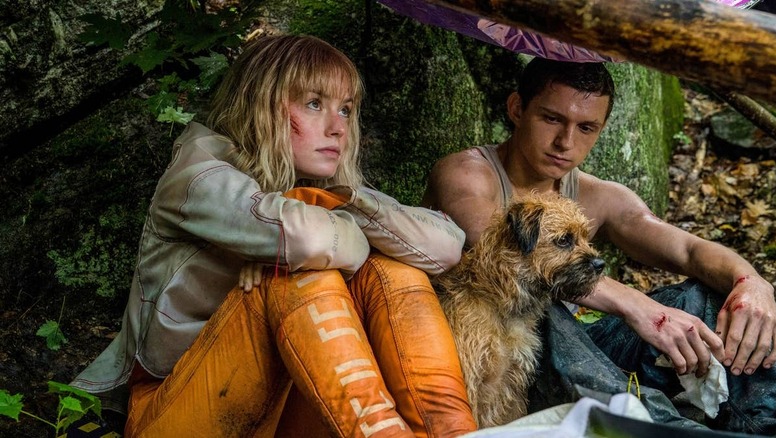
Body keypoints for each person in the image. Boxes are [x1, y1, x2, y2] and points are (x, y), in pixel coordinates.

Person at [70, 34, 477, 437]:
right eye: (314, 104)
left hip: (292, 411)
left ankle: (452, 432)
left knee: (394, 270)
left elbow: (447, 247)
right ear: (262, 103)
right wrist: (318, 237)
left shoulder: (328, 186)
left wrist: (346, 209)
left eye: (347, 110)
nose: (338, 128)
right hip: (177, 408)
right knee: (297, 274)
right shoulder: (199, 176)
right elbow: (307, 241)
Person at [422, 57, 776, 435]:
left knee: (709, 299)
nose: (566, 142)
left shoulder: (596, 196)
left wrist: (752, 283)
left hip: (580, 355)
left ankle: (763, 424)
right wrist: (639, 307)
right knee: (544, 300)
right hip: (502, 358)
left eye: (586, 127)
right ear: (516, 108)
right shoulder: (467, 174)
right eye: (552, 119)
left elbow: (690, 251)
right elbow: (499, 252)